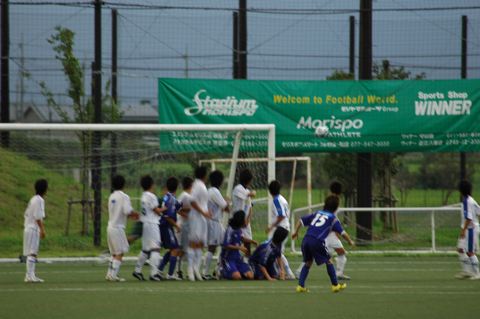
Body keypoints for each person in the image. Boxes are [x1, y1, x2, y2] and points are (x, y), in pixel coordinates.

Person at [292, 195, 355, 293]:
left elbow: (301, 220)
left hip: (306, 239)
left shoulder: (318, 213)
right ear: (336, 208)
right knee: (329, 260)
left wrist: (295, 232)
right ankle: (335, 285)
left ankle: (300, 286)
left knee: (308, 262)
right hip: (317, 241)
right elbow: (343, 233)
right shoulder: (333, 218)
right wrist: (350, 241)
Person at [105, 175, 139, 282]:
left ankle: (109, 274)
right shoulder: (124, 196)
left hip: (110, 227)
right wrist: (136, 214)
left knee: (114, 253)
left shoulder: (111, 196)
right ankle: (113, 275)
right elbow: (127, 211)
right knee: (120, 253)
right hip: (118, 227)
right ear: (124, 184)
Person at [133, 175, 166, 281]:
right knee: (156, 248)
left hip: (145, 224)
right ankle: (154, 273)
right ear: (151, 184)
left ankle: (137, 270)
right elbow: (157, 210)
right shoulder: (152, 196)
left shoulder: (144, 195)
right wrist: (166, 208)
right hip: (152, 224)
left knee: (146, 249)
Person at [265, 180, 295, 279]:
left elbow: (281, 215)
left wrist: (271, 227)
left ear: (269, 191)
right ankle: (285, 273)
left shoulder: (276, 200)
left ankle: (285, 273)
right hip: (286, 227)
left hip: (282, 228)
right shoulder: (283, 199)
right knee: (278, 251)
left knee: (275, 250)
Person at [203, 170, 229, 279]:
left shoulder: (209, 191)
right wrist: (228, 202)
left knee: (225, 244)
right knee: (212, 247)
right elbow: (225, 207)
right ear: (220, 181)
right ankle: (205, 273)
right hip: (214, 222)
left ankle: (217, 270)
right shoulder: (215, 192)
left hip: (214, 222)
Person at [188, 166, 212, 281]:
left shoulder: (201, 185)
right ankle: (190, 269)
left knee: (200, 243)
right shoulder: (197, 185)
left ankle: (196, 268)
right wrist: (203, 212)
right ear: (204, 175)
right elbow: (192, 201)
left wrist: (206, 212)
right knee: (194, 242)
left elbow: (202, 202)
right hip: (196, 217)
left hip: (202, 217)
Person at [23, 179, 48, 283]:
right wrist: (42, 230)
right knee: (32, 252)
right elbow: (38, 217)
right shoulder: (39, 200)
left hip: (28, 227)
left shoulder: (33, 199)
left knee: (31, 253)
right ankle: (29, 276)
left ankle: (30, 275)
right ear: (45, 189)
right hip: (33, 228)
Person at [220, 210, 257, 280]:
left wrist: (252, 241)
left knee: (251, 276)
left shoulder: (239, 229)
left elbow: (242, 238)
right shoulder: (230, 230)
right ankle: (221, 270)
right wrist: (240, 248)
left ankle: (237, 271)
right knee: (237, 277)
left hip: (237, 259)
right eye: (244, 218)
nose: (245, 220)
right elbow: (226, 245)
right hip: (228, 259)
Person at [158, 177, 182, 280]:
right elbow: (167, 216)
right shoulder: (171, 199)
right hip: (166, 225)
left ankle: (159, 269)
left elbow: (178, 207)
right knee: (175, 249)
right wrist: (176, 225)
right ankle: (171, 274)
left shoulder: (167, 197)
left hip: (164, 226)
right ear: (177, 187)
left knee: (173, 248)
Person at [456, 180, 480, 280]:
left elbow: (469, 218)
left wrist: (463, 230)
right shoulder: (471, 200)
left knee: (470, 252)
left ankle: (477, 273)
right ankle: (467, 271)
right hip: (471, 228)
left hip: (470, 230)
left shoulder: (467, 201)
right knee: (460, 249)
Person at [232, 169, 256, 255]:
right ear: (249, 180)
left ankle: (247, 264)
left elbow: (249, 206)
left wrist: (248, 220)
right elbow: (247, 195)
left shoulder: (246, 191)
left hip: (245, 221)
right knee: (234, 243)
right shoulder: (238, 188)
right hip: (237, 220)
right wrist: (251, 193)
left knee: (247, 244)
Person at [176, 177, 194, 279]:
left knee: (184, 248)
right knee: (182, 249)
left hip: (184, 225)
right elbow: (178, 208)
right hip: (183, 225)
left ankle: (180, 270)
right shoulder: (186, 196)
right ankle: (177, 271)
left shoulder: (184, 195)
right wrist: (187, 215)